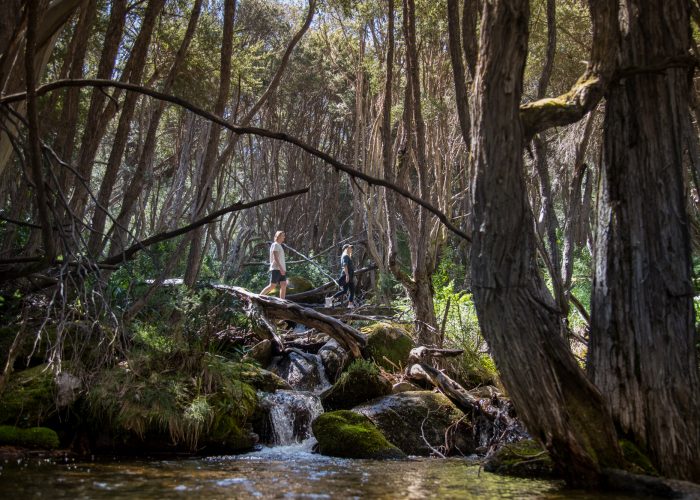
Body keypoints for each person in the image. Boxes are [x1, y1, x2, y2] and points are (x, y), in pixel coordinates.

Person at [260, 230, 287, 299]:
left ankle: (282, 301)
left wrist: (282, 269)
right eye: (282, 236)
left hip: (281, 269)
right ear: (278, 237)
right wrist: (281, 268)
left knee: (283, 285)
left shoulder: (279, 245)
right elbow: (275, 257)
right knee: (272, 286)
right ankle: (259, 296)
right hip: (276, 269)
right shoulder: (275, 245)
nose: (284, 237)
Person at [331, 244, 355, 308]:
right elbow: (345, 265)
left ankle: (350, 304)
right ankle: (330, 299)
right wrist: (347, 275)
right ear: (346, 249)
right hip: (346, 275)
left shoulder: (347, 256)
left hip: (350, 276)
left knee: (352, 290)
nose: (351, 249)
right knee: (344, 291)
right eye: (350, 248)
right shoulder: (345, 256)